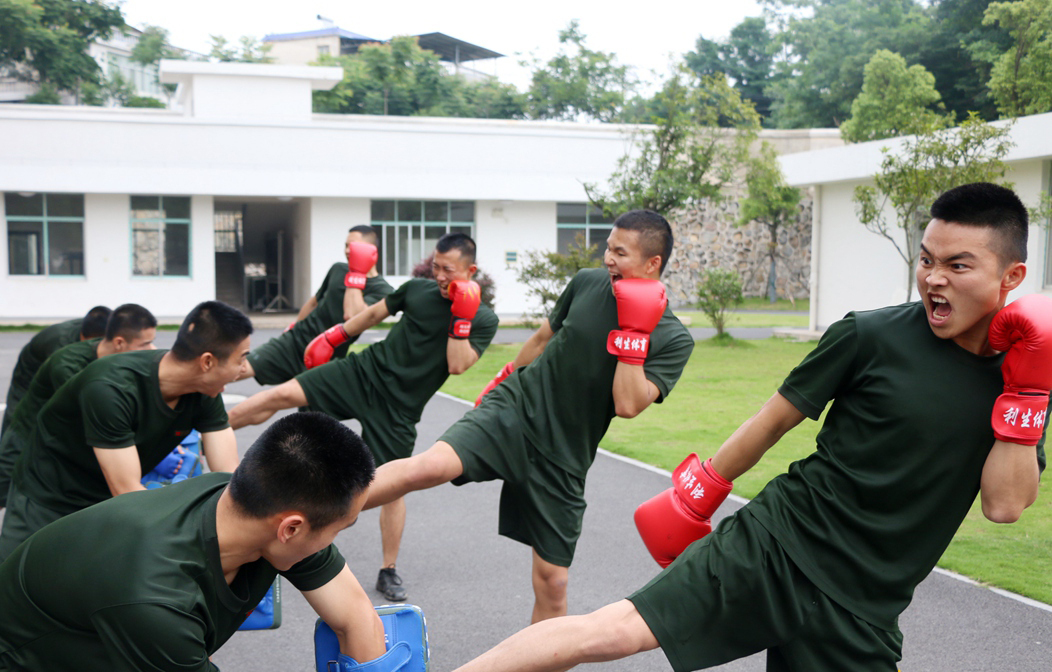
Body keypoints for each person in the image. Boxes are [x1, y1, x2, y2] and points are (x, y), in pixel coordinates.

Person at [449, 182, 1049, 672]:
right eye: (926, 260)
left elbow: (1003, 505)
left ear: (1011, 277)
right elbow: (775, 419)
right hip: (779, 544)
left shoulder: (1026, 375)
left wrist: (1026, 393)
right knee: (611, 632)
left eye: (957, 265)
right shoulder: (870, 335)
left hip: (867, 604)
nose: (933, 278)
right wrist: (701, 492)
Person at [359, 210, 695, 623]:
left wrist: (634, 335)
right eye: (608, 247)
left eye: (619, 252)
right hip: (517, 409)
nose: (607, 258)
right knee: (429, 467)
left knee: (553, 583)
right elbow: (541, 339)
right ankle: (317, 508)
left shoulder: (674, 338)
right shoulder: (588, 283)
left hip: (565, 454)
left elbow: (627, 405)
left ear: (652, 263)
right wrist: (501, 381)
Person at [0, 411, 387, 671]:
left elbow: (357, 619)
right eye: (339, 529)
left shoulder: (254, 503)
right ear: (291, 529)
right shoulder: (156, 601)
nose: (333, 542)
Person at [228, 232, 499, 602]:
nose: (438, 275)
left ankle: (388, 569)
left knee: (393, 487)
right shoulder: (416, 289)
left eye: (447, 269)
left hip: (400, 407)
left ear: (471, 270)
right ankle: (209, 429)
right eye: (435, 266)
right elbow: (373, 313)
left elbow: (457, 365)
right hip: (364, 373)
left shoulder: (483, 319)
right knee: (283, 393)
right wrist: (334, 337)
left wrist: (460, 318)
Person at [0, 301, 253, 561]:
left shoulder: (204, 389)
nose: (244, 369)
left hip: (102, 499)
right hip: (48, 496)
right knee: (15, 584)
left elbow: (227, 476)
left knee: (86, 588)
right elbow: (129, 493)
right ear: (207, 361)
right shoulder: (110, 388)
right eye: (241, 358)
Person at [0, 303, 158, 508]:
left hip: (60, 415)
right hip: (30, 408)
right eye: (145, 344)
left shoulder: (115, 354)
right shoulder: (65, 358)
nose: (153, 350)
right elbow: (93, 415)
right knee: (8, 475)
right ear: (118, 342)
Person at [238, 225, 393, 385]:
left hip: (326, 356)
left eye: (353, 246)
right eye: (346, 246)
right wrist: (295, 326)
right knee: (241, 369)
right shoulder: (338, 269)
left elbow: (352, 316)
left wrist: (357, 274)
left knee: (285, 401)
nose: (347, 251)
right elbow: (314, 302)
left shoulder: (383, 291)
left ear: (371, 250)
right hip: (295, 340)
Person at [1, 305, 111, 439]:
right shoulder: (62, 347)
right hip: (30, 372)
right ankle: (8, 455)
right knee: (20, 416)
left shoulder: (103, 330)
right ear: (84, 337)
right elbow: (70, 395)